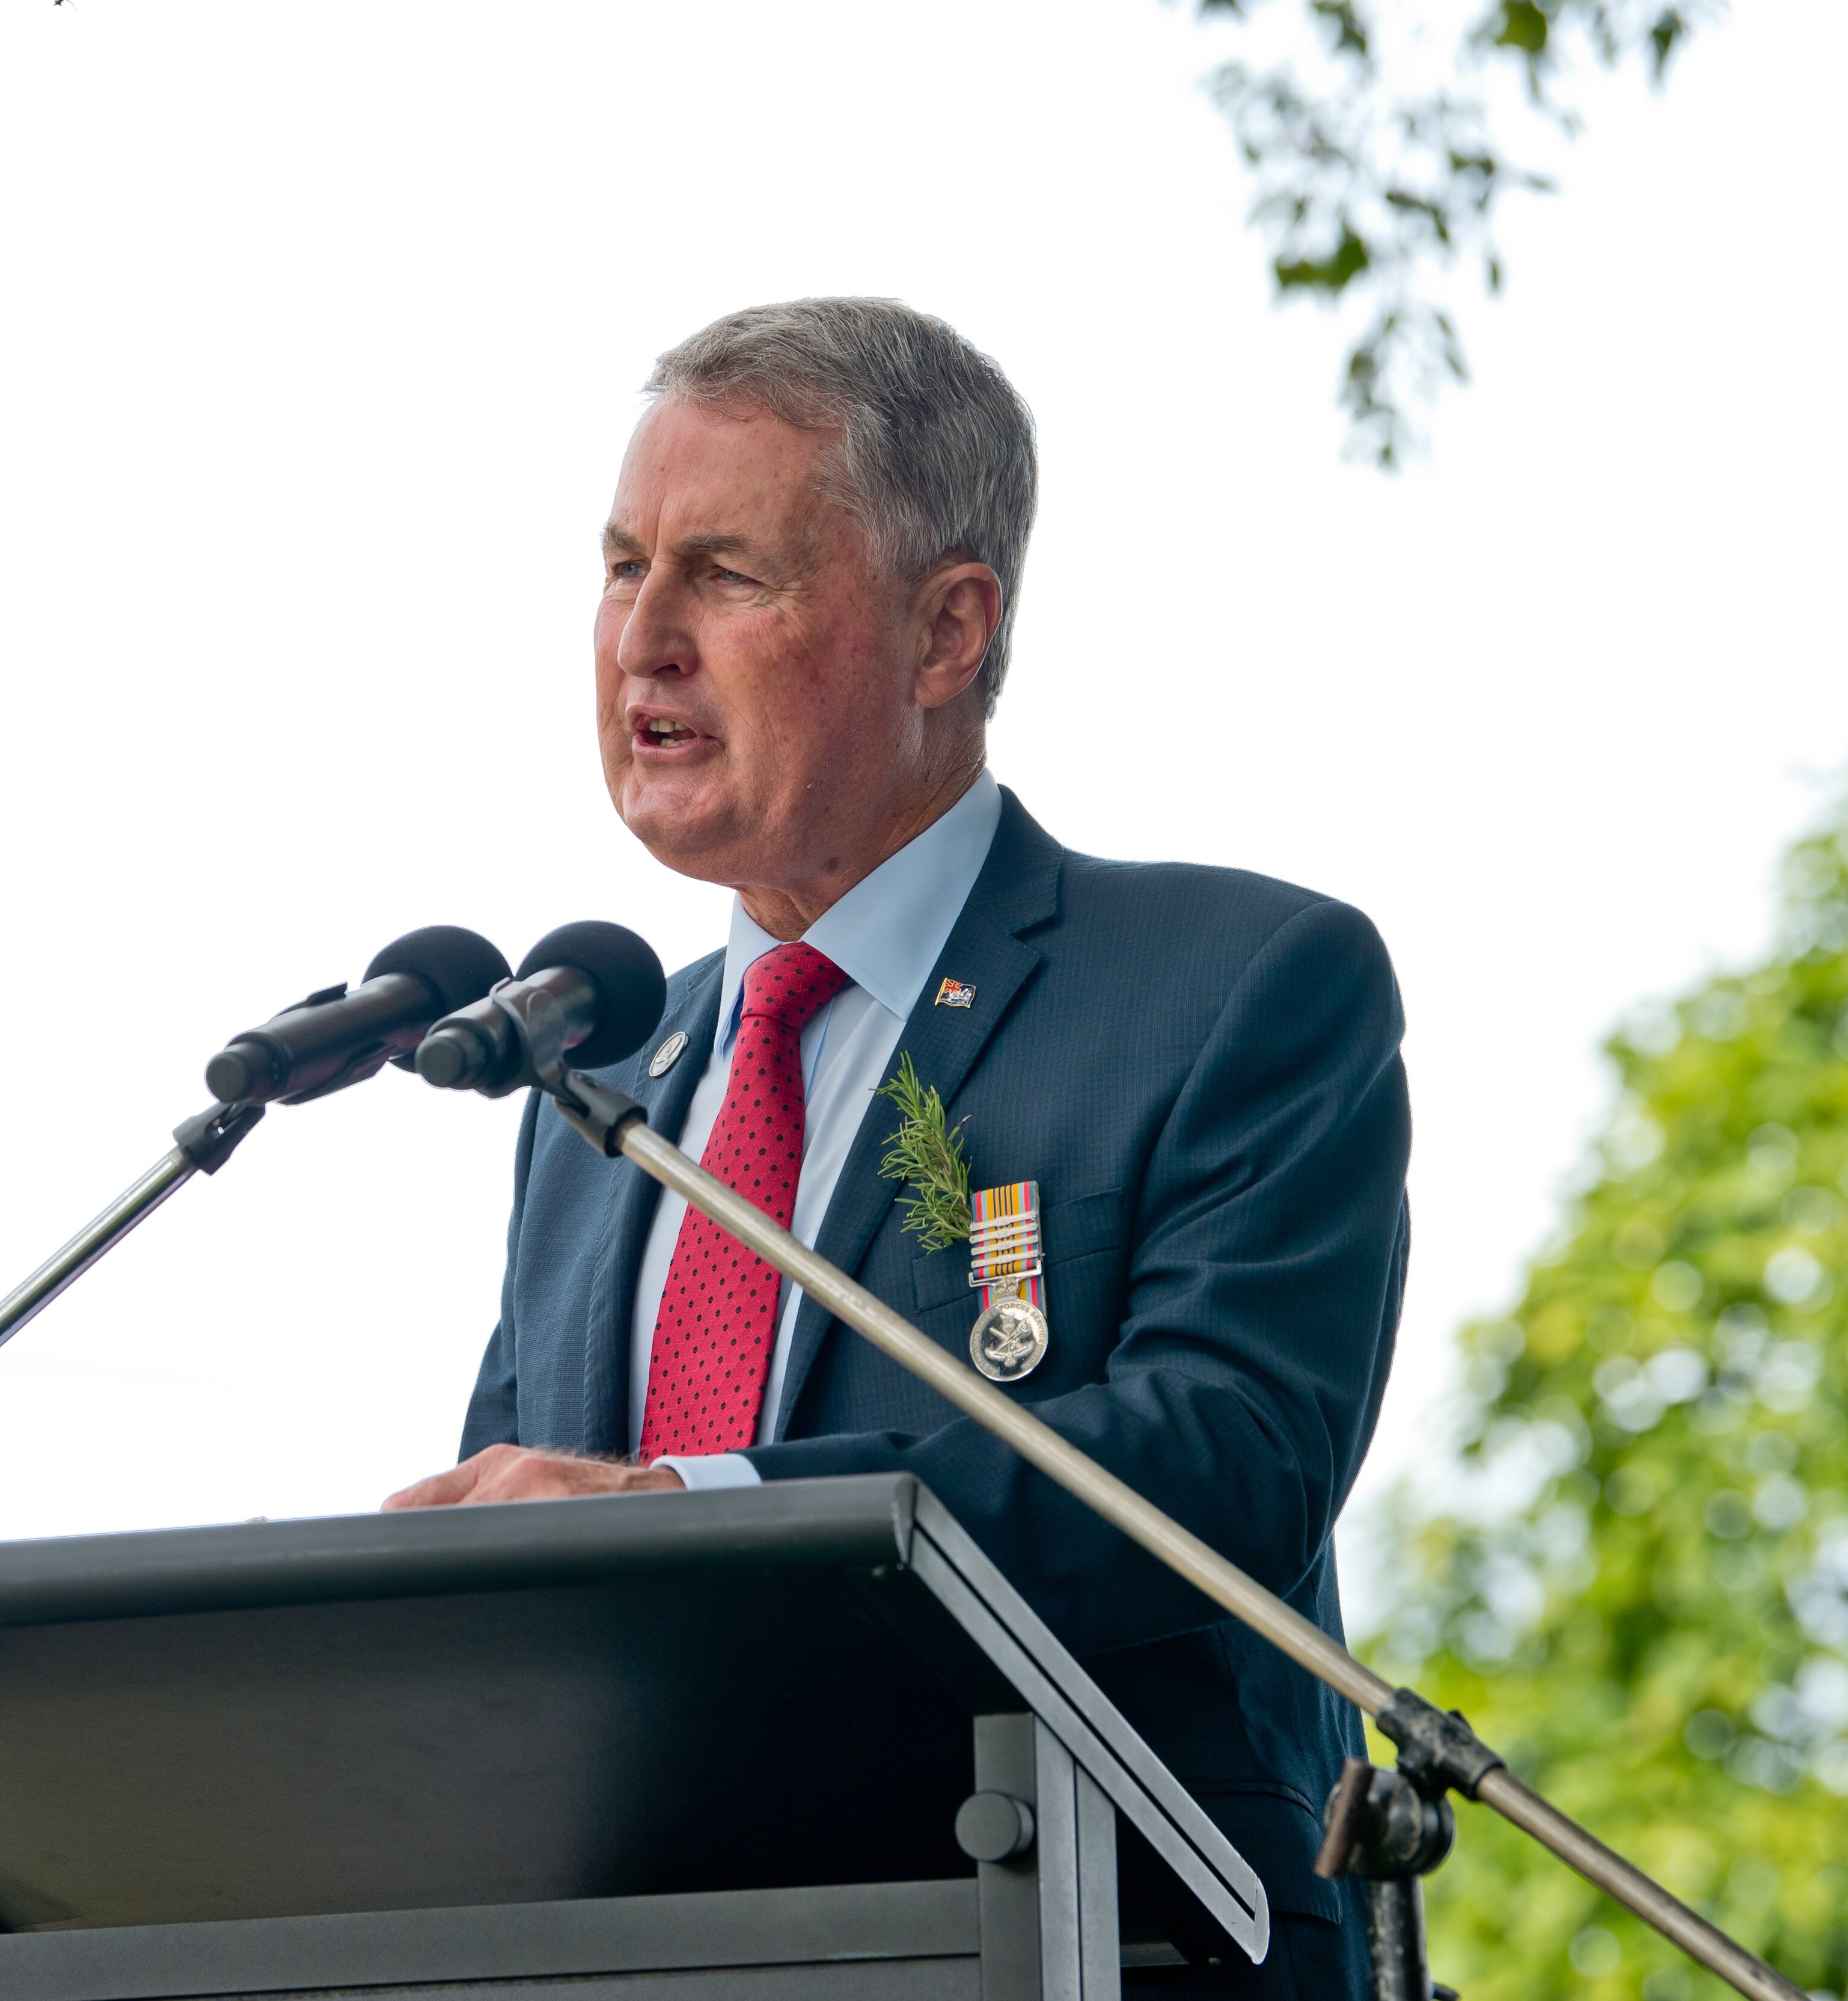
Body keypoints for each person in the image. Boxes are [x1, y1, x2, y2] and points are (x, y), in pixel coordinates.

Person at [384, 298, 1410, 2000]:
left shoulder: (1234, 987)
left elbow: (1223, 1462)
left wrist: (697, 1515)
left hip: (1099, 1944)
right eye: (621, 564)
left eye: (725, 574)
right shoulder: (598, 1084)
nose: (642, 637)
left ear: (947, 632)